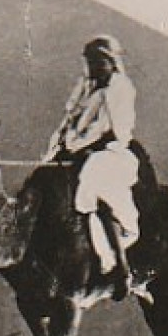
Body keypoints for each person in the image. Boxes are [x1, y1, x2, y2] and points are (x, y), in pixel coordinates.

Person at [44, 36, 142, 299]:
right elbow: (69, 122)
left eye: (98, 61)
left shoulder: (121, 88)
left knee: (94, 178)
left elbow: (114, 131)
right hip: (80, 151)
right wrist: (58, 149)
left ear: (111, 61)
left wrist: (81, 149)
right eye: (89, 61)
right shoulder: (86, 88)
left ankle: (120, 267)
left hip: (111, 153)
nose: (93, 67)